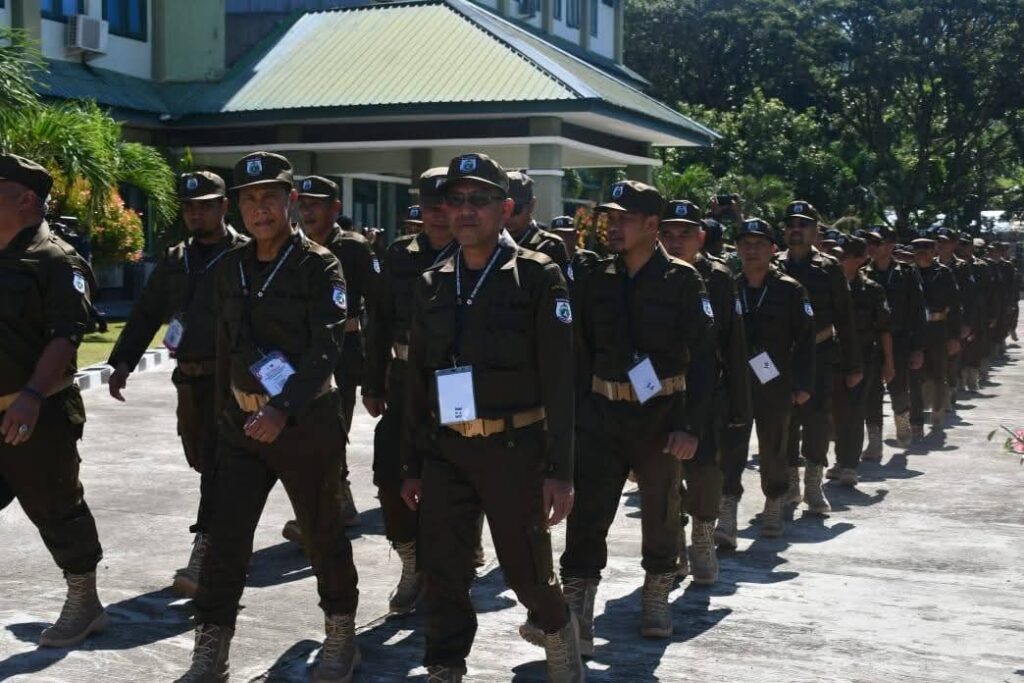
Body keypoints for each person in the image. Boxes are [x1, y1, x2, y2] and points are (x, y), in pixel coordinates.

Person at [176, 152, 359, 683]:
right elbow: (225, 347)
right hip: (241, 424)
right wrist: (222, 418)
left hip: (305, 422)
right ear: (238, 207)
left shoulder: (320, 265)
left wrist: (282, 407)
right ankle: (211, 648)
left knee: (322, 534)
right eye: (250, 200)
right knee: (225, 538)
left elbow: (327, 347)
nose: (260, 209)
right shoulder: (229, 266)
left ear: (291, 201)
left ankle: (341, 634)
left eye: (270, 198)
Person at [400, 153, 583, 682]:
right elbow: (417, 381)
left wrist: (561, 471)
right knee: (443, 568)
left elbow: (560, 382)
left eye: (479, 199)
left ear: (505, 209)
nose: (465, 210)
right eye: (455, 200)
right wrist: (411, 464)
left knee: (526, 570)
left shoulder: (537, 276)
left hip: (514, 449)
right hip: (447, 449)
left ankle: (556, 628)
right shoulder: (432, 282)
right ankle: (444, 664)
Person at [558, 180, 716, 649]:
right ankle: (578, 608)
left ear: (651, 225)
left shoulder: (682, 280)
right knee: (588, 511)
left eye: (623, 219)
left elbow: (705, 359)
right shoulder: (595, 278)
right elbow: (579, 351)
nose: (612, 227)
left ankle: (656, 592)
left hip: (660, 416)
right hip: (602, 413)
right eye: (609, 218)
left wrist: (690, 426)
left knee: (662, 511)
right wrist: (576, 416)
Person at [107, 171, 248, 597]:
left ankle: (206, 552)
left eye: (205, 205)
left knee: (223, 468)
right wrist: (123, 361)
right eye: (189, 207)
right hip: (189, 381)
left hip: (231, 381)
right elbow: (147, 312)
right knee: (203, 460)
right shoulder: (176, 258)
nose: (196, 213)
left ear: (224, 207)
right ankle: (224, 543)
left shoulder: (246, 254)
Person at [0, 153, 107, 648]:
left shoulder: (57, 260)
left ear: (25, 198)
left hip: (37, 413)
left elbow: (66, 335)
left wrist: (31, 396)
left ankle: (85, 602)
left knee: (56, 507)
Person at [363, 166, 453, 615]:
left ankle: (448, 572)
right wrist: (372, 382)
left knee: (452, 481)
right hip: (401, 383)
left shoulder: (476, 254)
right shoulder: (399, 254)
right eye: (430, 206)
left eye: (445, 205)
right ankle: (411, 559)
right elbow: (378, 321)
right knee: (389, 475)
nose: (437, 215)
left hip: (453, 387)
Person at [279, 175, 378, 543]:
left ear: (335, 208)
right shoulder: (289, 246)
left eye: (316, 204)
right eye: (302, 204)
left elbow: (379, 303)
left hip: (344, 352)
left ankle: (324, 515)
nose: (307, 211)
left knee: (331, 431)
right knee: (306, 433)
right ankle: (339, 504)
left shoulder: (354, 248)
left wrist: (375, 369)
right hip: (300, 355)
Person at [658, 199, 751, 572]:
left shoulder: (719, 278)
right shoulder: (650, 274)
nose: (675, 241)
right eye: (668, 233)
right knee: (662, 477)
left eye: (685, 234)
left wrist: (740, 406)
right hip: (659, 393)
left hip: (706, 391)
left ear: (700, 237)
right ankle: (674, 545)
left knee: (705, 472)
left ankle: (702, 535)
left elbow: (733, 343)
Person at [729, 218, 815, 538]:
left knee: (774, 447)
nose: (752, 250)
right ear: (737, 249)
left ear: (772, 249)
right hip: (735, 381)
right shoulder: (728, 287)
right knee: (731, 447)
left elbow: (806, 341)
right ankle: (727, 510)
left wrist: (804, 384)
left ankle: (774, 503)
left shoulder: (790, 290)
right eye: (745, 244)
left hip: (776, 381)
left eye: (759, 244)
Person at [776, 201, 862, 514]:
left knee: (816, 420)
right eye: (791, 224)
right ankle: (790, 484)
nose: (796, 230)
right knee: (783, 421)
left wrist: (853, 364)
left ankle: (813, 484)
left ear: (815, 231)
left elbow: (845, 318)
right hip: (782, 357)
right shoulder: (774, 266)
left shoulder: (829, 268)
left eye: (803, 224)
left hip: (819, 354)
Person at [827, 234, 893, 485]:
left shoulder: (872, 290)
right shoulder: (824, 287)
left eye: (842, 257)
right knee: (835, 412)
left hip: (863, 358)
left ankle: (849, 465)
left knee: (854, 411)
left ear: (859, 260)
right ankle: (840, 458)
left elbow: (884, 329)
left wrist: (889, 363)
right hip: (831, 357)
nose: (836, 260)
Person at [863, 225, 926, 448]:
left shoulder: (906, 273)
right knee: (871, 392)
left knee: (898, 387)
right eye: (869, 242)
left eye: (876, 243)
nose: (871, 247)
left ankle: (902, 422)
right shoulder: (862, 272)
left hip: (899, 340)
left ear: (890, 246)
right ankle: (874, 441)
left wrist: (918, 348)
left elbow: (918, 311)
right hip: (870, 341)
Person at [908, 236, 962, 440]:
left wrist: (954, 336)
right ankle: (916, 419)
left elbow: (955, 305)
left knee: (938, 375)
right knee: (914, 377)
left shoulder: (944, 273)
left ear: (934, 252)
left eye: (926, 249)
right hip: (914, 331)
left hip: (938, 329)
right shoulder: (907, 273)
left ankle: (937, 411)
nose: (922, 253)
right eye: (917, 250)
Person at [505, 171, 570, 271]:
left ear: (531, 205)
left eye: (516, 209)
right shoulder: (490, 242)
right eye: (504, 208)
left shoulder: (550, 246)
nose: (509, 216)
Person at [955, 235, 995, 392]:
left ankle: (972, 378)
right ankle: (958, 380)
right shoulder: (954, 265)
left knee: (974, 346)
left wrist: (992, 314)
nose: (962, 247)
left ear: (971, 247)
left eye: (965, 244)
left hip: (978, 313)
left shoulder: (981, 266)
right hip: (958, 312)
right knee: (958, 347)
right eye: (960, 244)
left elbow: (990, 292)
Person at [550, 214, 600, 290]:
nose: (562, 239)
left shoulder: (590, 259)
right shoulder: (548, 261)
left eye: (567, 235)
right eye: (558, 236)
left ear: (576, 236)